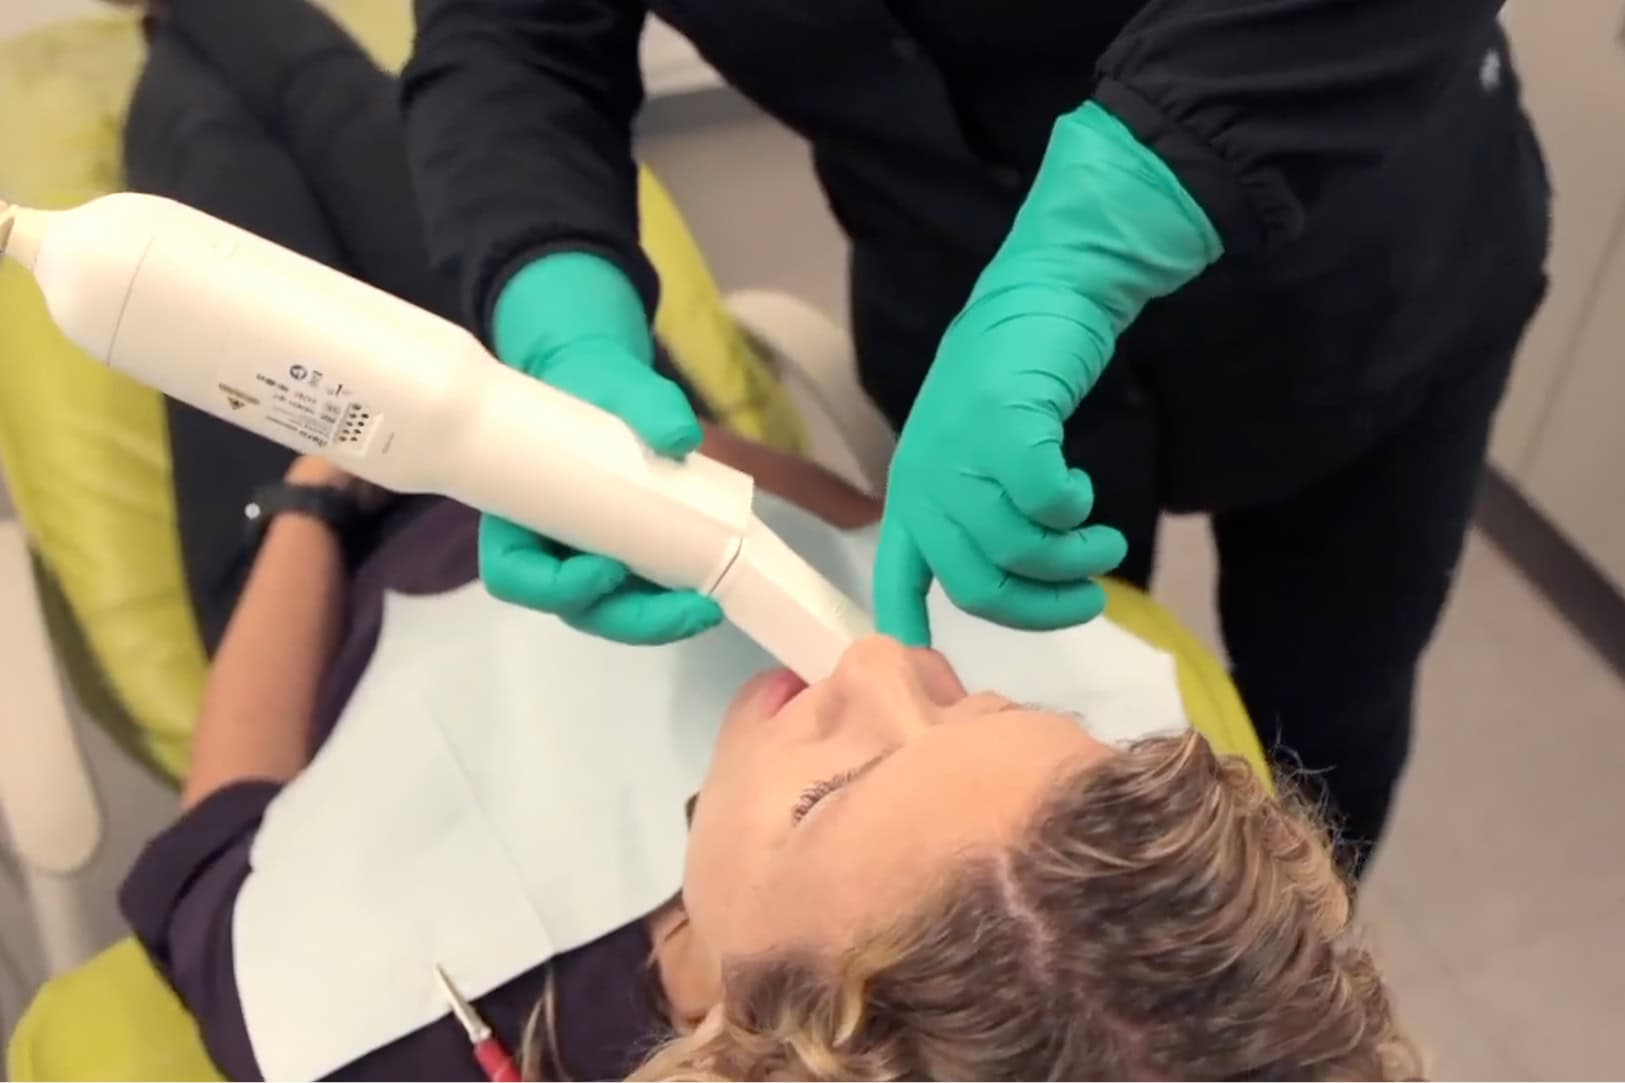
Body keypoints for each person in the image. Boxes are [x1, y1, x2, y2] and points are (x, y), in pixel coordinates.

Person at [114, 4, 1418, 1078]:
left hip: (323, 548)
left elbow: (214, 859)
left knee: (210, 165)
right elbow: (510, 39)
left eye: (827, 794)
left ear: (732, 1040)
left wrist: (315, 496)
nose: (885, 667)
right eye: (980, 698)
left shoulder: (384, 1034)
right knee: (342, 103)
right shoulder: (1046, 831)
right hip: (594, 429)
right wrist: (574, 385)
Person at [398, 0, 1553, 867]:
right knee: (1038, 694)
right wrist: (549, 306)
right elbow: (509, 37)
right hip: (946, 274)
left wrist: (1094, 240)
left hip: (1354, 244)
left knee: (1330, 698)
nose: (868, 694)